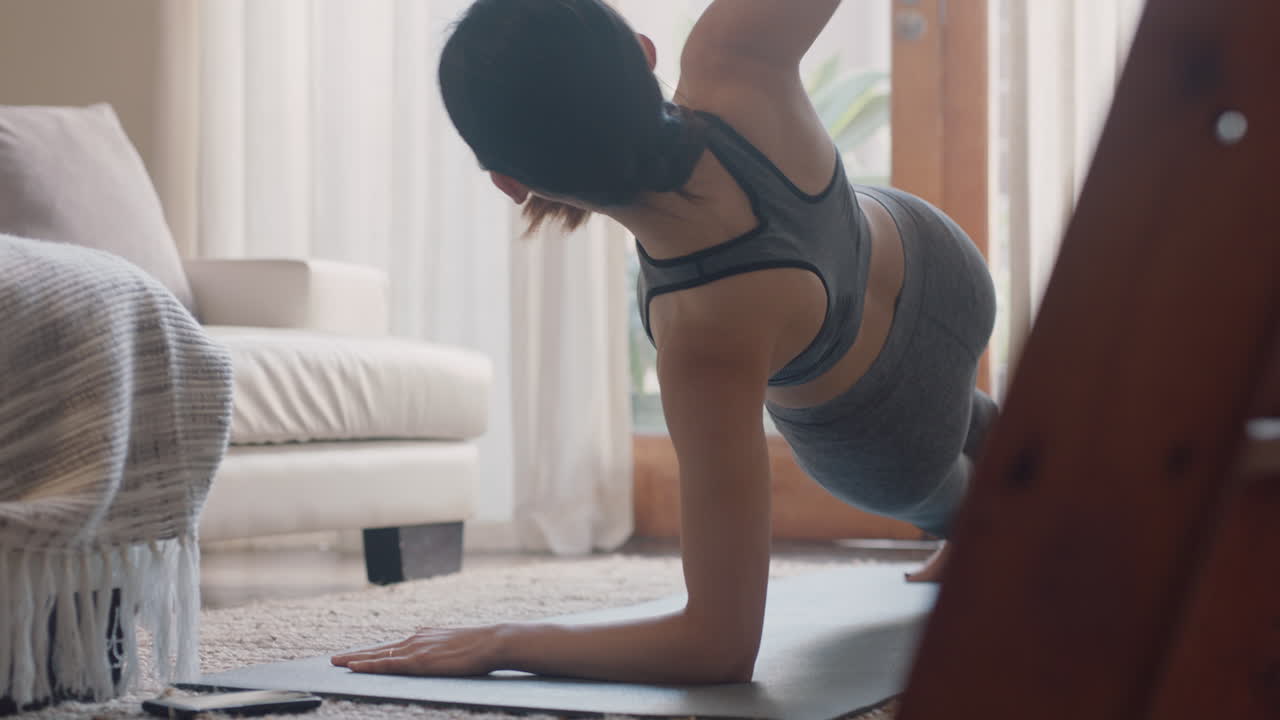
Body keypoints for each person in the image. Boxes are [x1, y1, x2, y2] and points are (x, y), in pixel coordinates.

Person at [332, 0, 996, 684]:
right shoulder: (731, 54)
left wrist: (506, 641)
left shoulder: (702, 335)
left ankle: (984, 524)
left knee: (981, 506)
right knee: (981, 423)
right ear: (645, 51)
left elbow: (716, 645)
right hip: (941, 264)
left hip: (885, 438)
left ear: (511, 183)